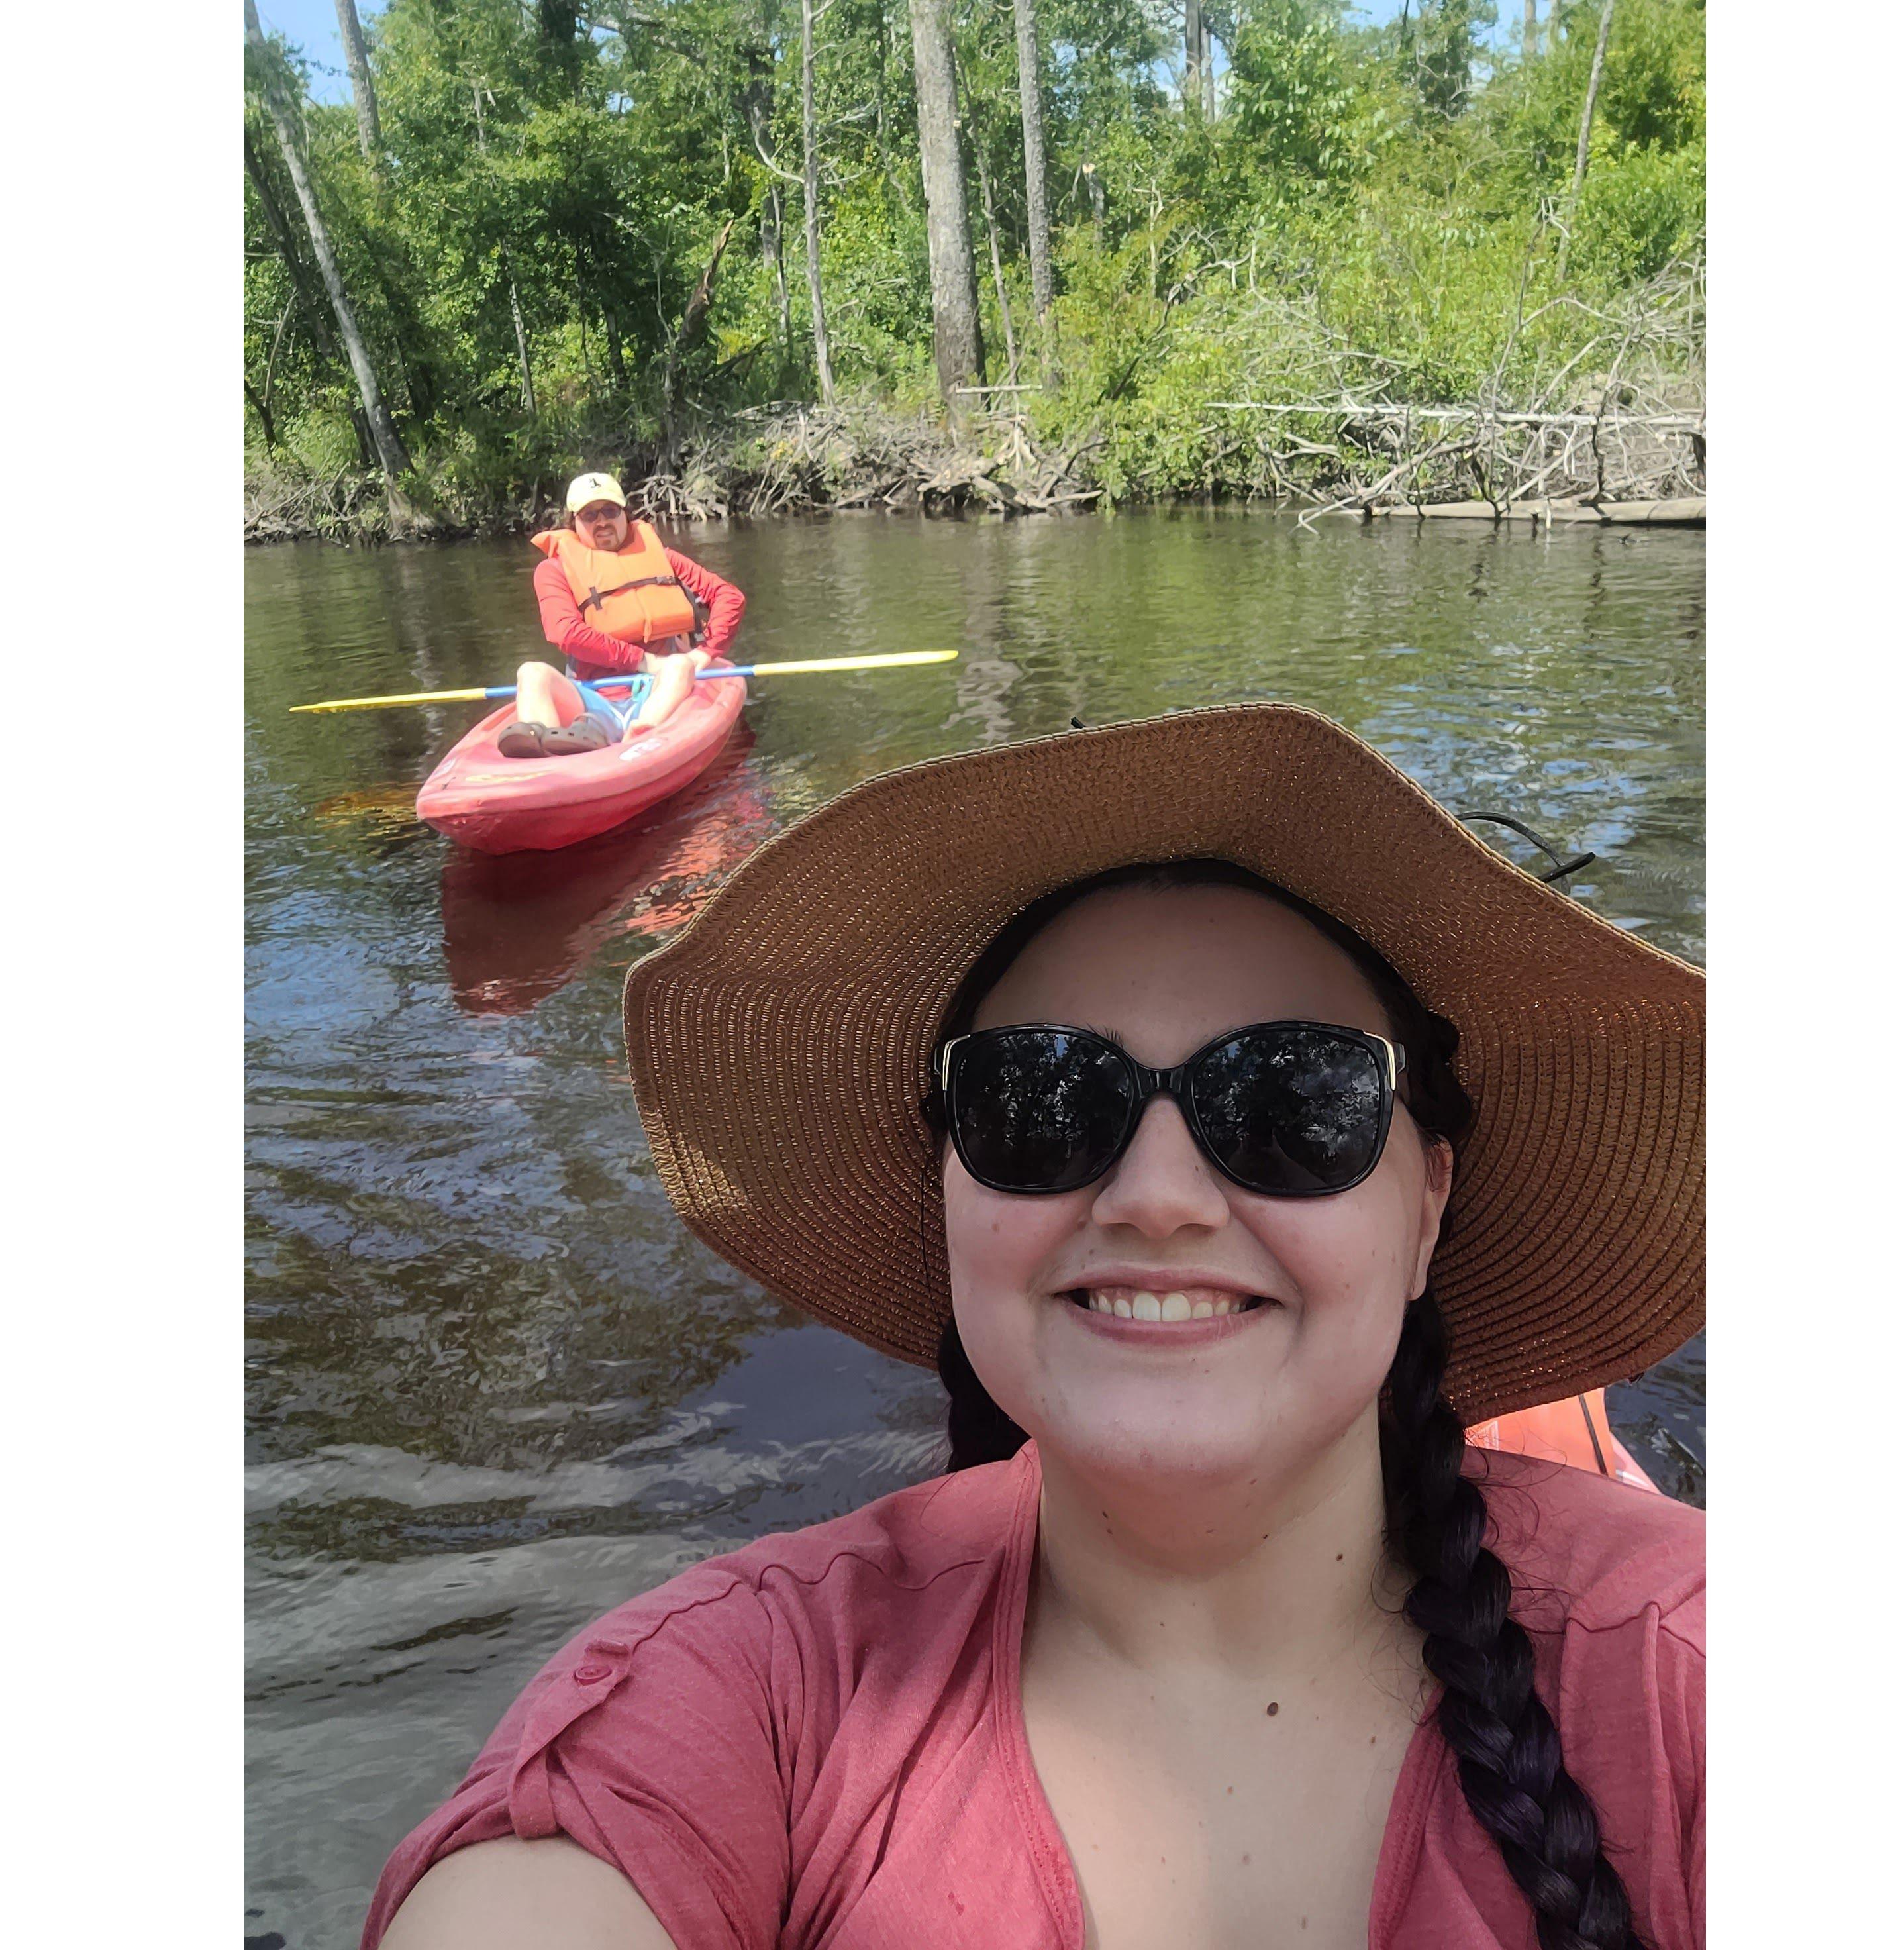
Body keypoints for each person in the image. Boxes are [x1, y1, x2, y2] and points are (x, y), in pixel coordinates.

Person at [366, 707, 1704, 1950]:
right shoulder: (748, 1693)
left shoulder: (1683, 1666)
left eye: (1294, 1096)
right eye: (1039, 1098)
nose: (1159, 1197)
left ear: (1425, 1203)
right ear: (950, 1187)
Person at [499, 472, 748, 760]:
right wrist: (642, 660)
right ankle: (544, 751)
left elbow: (729, 597)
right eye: (589, 515)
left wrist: (705, 653)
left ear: (625, 516)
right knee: (530, 673)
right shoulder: (554, 570)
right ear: (574, 523)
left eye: (610, 511)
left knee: (680, 666)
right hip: (590, 695)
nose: (601, 521)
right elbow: (564, 632)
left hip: (662, 689)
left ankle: (640, 736)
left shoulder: (663, 559)